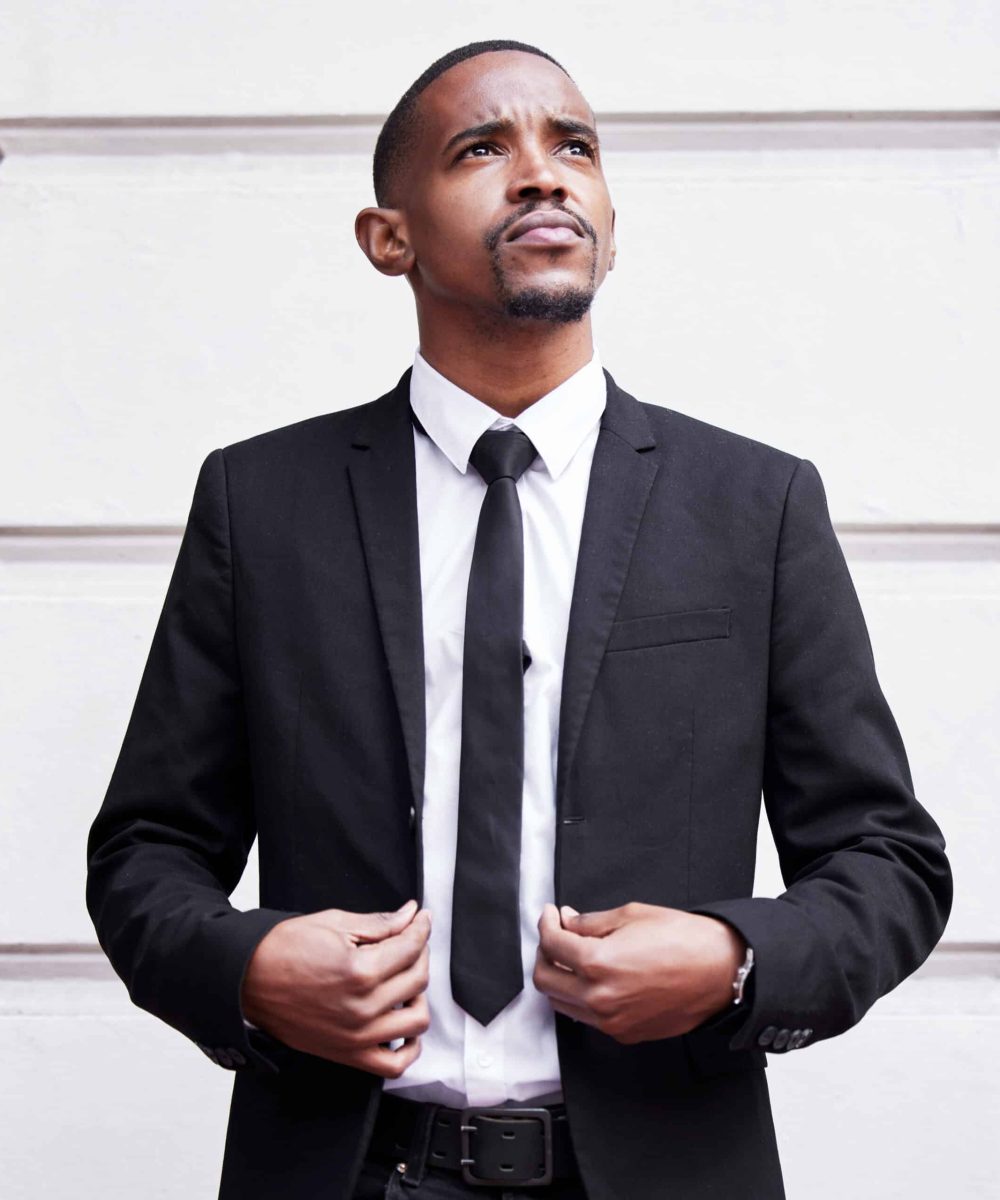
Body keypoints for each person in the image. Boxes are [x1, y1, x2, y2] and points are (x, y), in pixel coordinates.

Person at [86, 40, 953, 1200]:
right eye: (483, 148)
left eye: (575, 147)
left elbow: (886, 862)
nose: (543, 175)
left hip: (658, 1169)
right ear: (388, 237)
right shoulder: (261, 502)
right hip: (351, 1171)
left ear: (610, 218)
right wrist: (246, 965)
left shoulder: (754, 504)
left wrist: (735, 959)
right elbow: (145, 853)